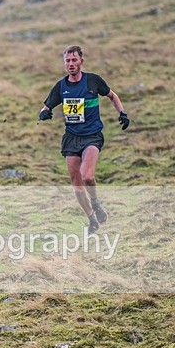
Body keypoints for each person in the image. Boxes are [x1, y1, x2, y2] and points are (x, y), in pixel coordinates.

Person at [38, 45, 130, 233]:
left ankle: (95, 202)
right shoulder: (61, 86)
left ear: (81, 61)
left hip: (92, 136)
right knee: (77, 186)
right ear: (64, 63)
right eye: (67, 61)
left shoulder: (93, 81)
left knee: (87, 176)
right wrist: (43, 115)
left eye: (74, 60)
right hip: (71, 138)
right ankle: (92, 219)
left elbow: (112, 96)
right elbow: (46, 107)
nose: (70, 64)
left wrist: (122, 112)